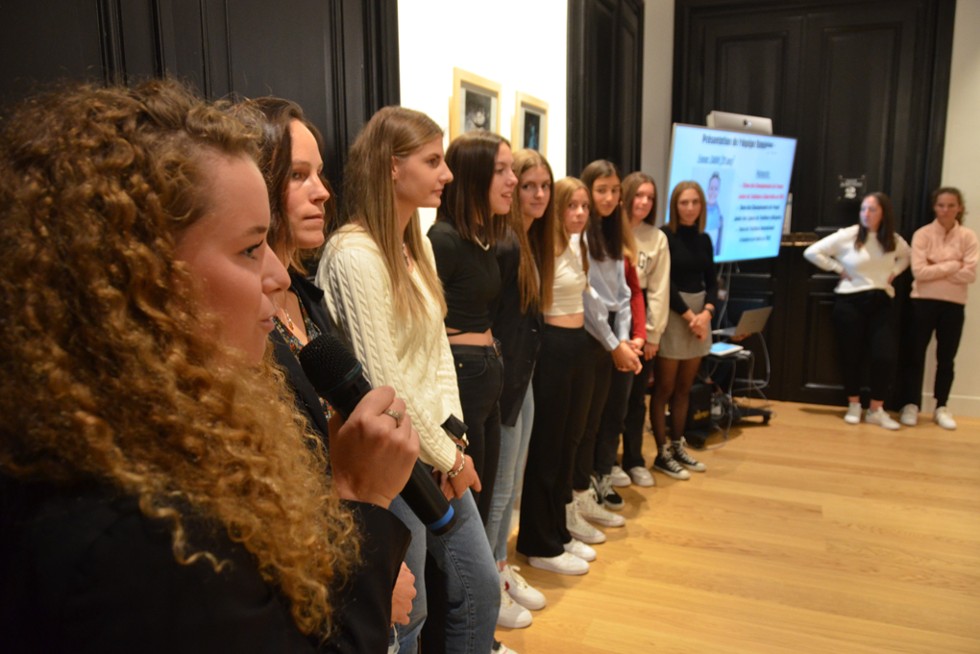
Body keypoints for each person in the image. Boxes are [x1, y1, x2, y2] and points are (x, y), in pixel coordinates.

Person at [0, 80, 417, 652]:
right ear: (137, 278)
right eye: (250, 248)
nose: (274, 275)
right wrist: (359, 496)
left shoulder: (171, 437)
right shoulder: (132, 539)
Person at [229, 96, 417, 644]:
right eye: (299, 175)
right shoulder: (242, 334)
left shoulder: (307, 296)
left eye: (321, 174)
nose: (322, 191)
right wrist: (362, 551)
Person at [316, 107, 499, 654]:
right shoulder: (353, 254)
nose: (446, 175)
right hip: (392, 463)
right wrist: (450, 458)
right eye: (433, 161)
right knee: (407, 615)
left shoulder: (412, 246)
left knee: (479, 588)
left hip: (434, 454)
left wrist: (453, 442)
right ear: (392, 168)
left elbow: (438, 353)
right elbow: (385, 383)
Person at [429, 129, 516, 524]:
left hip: (485, 373)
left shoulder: (480, 238)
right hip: (463, 375)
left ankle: (488, 578)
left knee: (486, 494)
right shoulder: (442, 240)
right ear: (474, 176)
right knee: (467, 506)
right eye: (501, 170)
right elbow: (427, 326)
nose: (511, 180)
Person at [516, 177, 600, 575]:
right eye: (573, 206)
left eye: (585, 206)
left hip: (575, 346)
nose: (580, 213)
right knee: (546, 450)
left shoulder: (573, 244)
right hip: (550, 347)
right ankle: (539, 541)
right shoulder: (538, 245)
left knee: (566, 445)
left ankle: (558, 531)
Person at [485, 149, 552, 627]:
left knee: (513, 486)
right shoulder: (505, 244)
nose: (534, 194)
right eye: (526, 184)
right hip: (505, 381)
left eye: (542, 186)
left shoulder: (529, 242)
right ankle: (489, 581)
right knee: (500, 486)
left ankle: (501, 569)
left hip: (522, 376)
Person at [804, 192, 911, 430]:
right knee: (850, 355)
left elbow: (907, 257)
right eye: (863, 209)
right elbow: (812, 252)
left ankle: (876, 409)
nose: (866, 214)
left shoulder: (892, 239)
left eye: (872, 209)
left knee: (883, 356)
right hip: (849, 302)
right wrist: (837, 268)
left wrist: (894, 272)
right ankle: (854, 404)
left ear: (884, 213)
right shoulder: (848, 235)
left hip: (881, 301)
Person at [575, 160, 642, 515]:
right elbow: (591, 299)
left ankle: (603, 472)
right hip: (592, 334)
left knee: (615, 410)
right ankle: (584, 487)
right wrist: (613, 343)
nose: (610, 197)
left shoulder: (616, 231)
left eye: (615, 190)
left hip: (615, 330)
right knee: (591, 418)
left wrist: (626, 338)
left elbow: (625, 293)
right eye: (602, 190)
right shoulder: (582, 233)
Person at [899, 187, 977, 430]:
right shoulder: (922, 235)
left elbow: (970, 274)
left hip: (954, 305)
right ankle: (910, 404)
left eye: (951, 205)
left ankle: (941, 406)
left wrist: (939, 266)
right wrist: (954, 264)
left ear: (959, 208)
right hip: (922, 302)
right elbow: (919, 272)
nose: (945, 210)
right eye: (941, 205)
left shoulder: (968, 237)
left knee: (946, 359)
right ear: (935, 207)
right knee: (914, 355)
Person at [652, 181, 714, 479]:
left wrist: (706, 314)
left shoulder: (704, 238)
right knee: (664, 388)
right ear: (674, 206)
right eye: (683, 203)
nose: (689, 208)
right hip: (676, 314)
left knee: (684, 389)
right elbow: (666, 283)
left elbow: (712, 281)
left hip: (701, 317)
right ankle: (661, 452)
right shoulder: (665, 236)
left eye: (694, 202)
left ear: (701, 206)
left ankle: (678, 446)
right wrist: (691, 316)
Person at [621, 172, 670, 487]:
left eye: (650, 197)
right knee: (608, 403)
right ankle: (605, 464)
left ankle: (634, 460)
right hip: (611, 330)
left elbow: (658, 290)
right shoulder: (611, 231)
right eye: (638, 195)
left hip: (642, 330)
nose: (643, 202)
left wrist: (651, 335)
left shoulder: (657, 238)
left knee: (636, 400)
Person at [705, 172, 724, 256]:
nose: (713, 192)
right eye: (711, 188)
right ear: (708, 189)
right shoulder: (700, 211)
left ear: (719, 191)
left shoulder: (720, 213)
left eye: (716, 188)